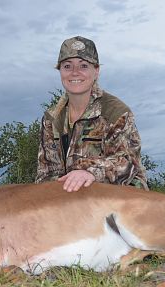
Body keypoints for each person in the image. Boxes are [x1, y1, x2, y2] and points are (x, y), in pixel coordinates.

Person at [35, 36, 148, 192]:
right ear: (60, 71)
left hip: (120, 196)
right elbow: (46, 174)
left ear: (96, 71)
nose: (75, 73)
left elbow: (128, 164)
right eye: (67, 66)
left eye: (83, 66)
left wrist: (89, 173)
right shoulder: (52, 118)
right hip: (73, 198)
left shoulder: (116, 112)